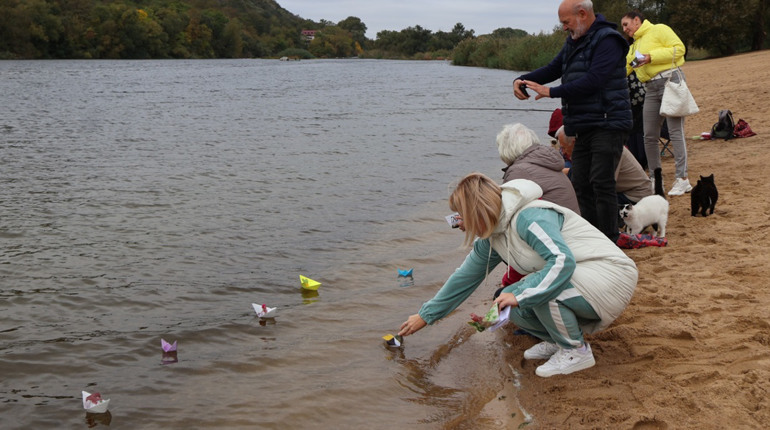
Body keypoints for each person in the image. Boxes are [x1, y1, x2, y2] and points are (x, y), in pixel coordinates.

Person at [398, 173, 638, 377]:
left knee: (523, 292)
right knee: (505, 298)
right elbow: (464, 279)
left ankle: (575, 350)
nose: (458, 223)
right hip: (582, 279)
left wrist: (521, 294)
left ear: (476, 210)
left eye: (461, 215)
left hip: (610, 275)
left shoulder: (529, 216)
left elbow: (562, 261)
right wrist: (425, 316)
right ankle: (559, 341)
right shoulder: (492, 236)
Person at [513, 0, 632, 244]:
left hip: (609, 122)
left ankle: (610, 240)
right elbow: (552, 68)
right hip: (583, 124)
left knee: (602, 182)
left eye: (566, 22)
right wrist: (522, 79)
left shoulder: (609, 40)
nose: (565, 28)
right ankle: (591, 238)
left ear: (582, 14)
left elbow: (595, 80)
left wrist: (552, 92)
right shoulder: (574, 42)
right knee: (580, 183)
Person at [621, 11, 692, 196]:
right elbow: (624, 69)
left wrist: (651, 56)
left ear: (637, 20)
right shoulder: (634, 45)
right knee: (649, 135)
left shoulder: (659, 29)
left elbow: (679, 49)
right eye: (623, 26)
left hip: (670, 81)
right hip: (650, 89)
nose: (625, 29)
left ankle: (682, 179)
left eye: (626, 24)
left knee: (676, 132)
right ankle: (655, 180)